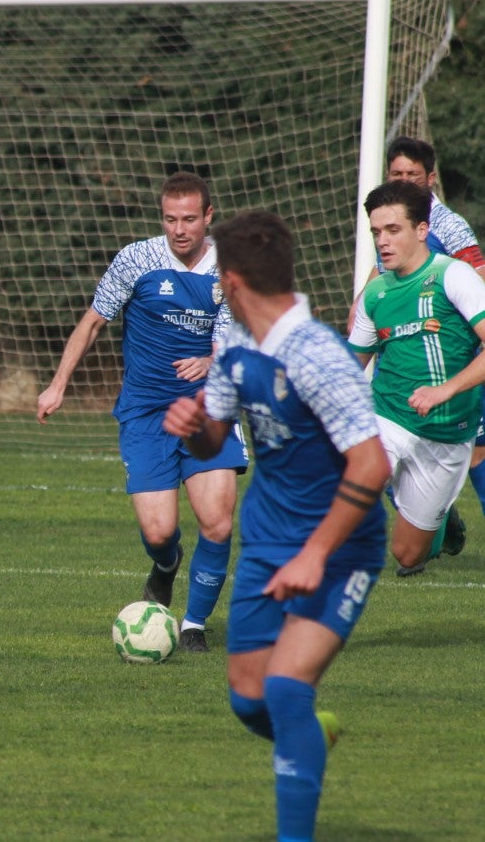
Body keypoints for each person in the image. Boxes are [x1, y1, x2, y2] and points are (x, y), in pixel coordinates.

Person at [163, 210, 389, 842]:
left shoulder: (318, 354)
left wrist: (317, 554)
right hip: (266, 541)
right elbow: (215, 440)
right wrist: (197, 425)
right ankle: (312, 737)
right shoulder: (235, 343)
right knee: (248, 698)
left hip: (339, 550)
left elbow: (370, 465)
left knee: (287, 690)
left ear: (231, 281)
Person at [37, 172, 247, 653]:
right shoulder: (136, 259)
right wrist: (57, 385)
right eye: (170, 219)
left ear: (208, 217)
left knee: (216, 521)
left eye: (189, 219)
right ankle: (166, 564)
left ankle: (193, 625)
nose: (179, 229)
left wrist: (213, 360)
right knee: (160, 532)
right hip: (146, 411)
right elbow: (93, 322)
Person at [349, 136, 485, 565]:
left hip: (448, 432)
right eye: (377, 232)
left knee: (409, 554)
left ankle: (440, 521)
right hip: (388, 415)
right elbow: (351, 365)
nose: (383, 241)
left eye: (393, 230)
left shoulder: (455, 277)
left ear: (422, 230)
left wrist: (445, 390)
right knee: (349, 489)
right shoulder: (375, 294)